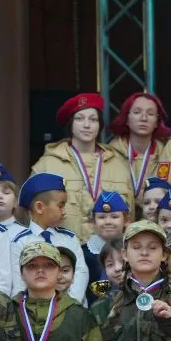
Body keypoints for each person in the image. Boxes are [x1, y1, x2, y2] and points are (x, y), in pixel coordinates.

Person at [32, 94, 133, 240]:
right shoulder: (47, 165)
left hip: (109, 249)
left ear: (100, 125)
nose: (87, 125)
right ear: (71, 124)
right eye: (79, 119)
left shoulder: (118, 164)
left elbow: (130, 215)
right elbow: (32, 215)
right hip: (63, 248)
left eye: (93, 119)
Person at [9, 174, 92, 300]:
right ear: (39, 207)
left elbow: (81, 273)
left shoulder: (69, 238)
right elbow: (19, 282)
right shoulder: (20, 242)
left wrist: (69, 304)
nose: (64, 211)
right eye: (60, 206)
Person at [109, 91, 171, 193]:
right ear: (126, 119)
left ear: (157, 122)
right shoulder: (110, 155)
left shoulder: (167, 154)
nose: (144, 118)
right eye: (137, 112)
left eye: (150, 113)